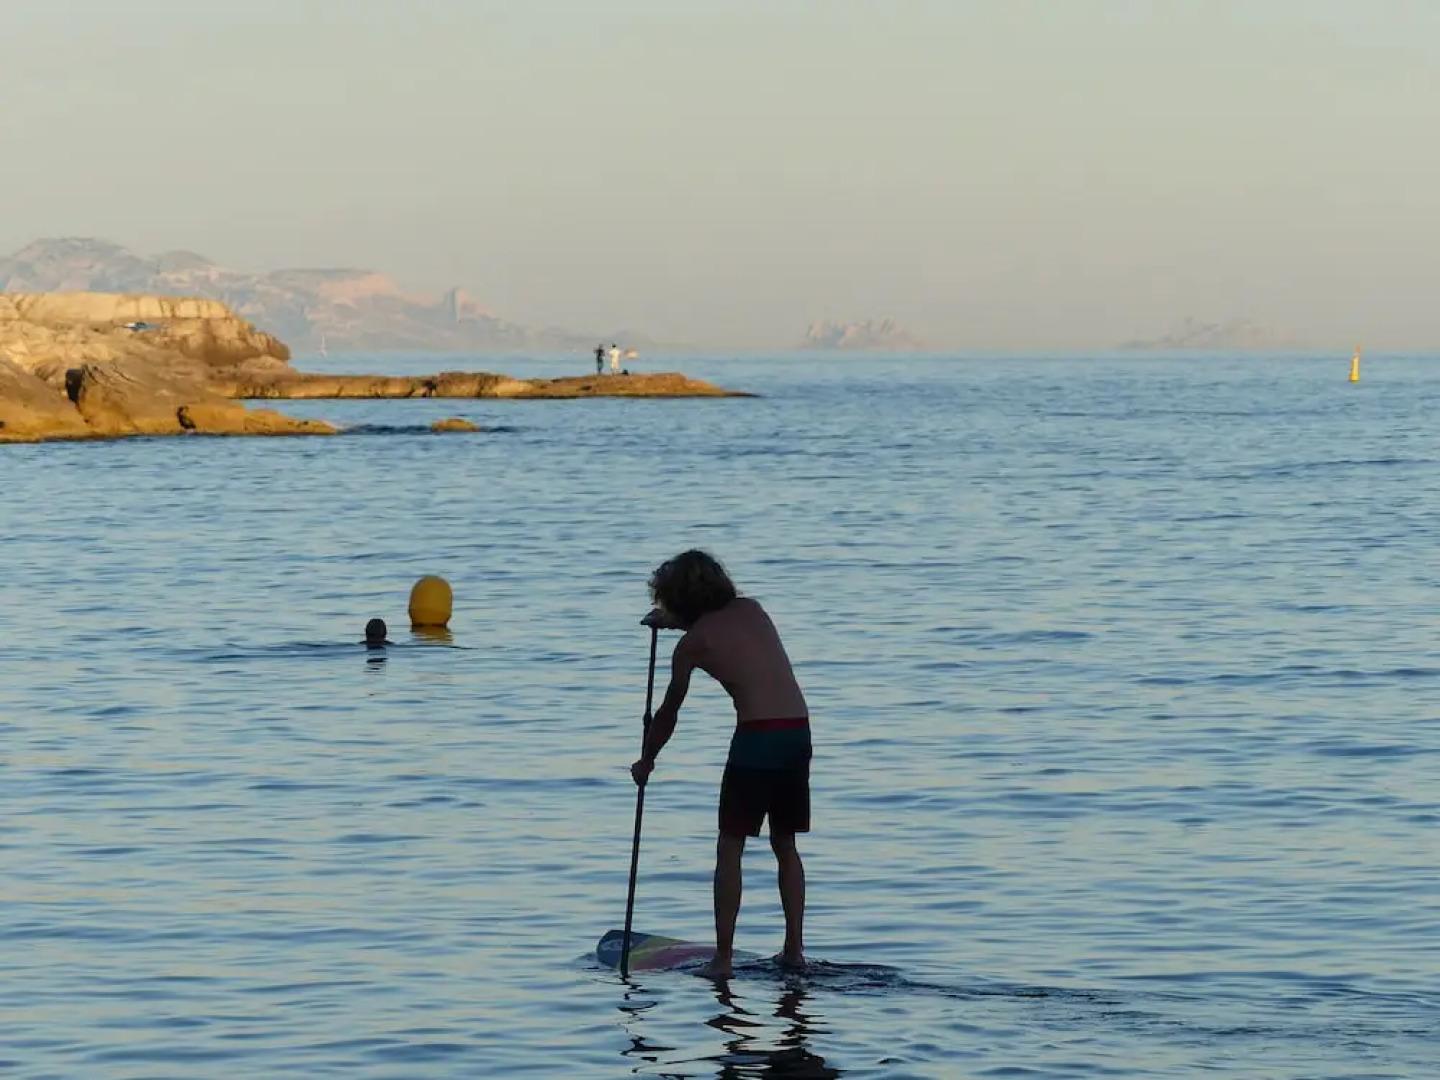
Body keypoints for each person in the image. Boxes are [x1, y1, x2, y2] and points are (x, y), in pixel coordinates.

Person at [631, 550, 811, 979]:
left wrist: (646, 760)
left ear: (679, 599)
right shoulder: (753, 609)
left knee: (730, 847)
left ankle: (723, 961)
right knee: (784, 843)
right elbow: (727, 633)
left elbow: (670, 711)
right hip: (798, 732)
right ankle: (794, 951)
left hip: (757, 739)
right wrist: (674, 620)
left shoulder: (692, 645)